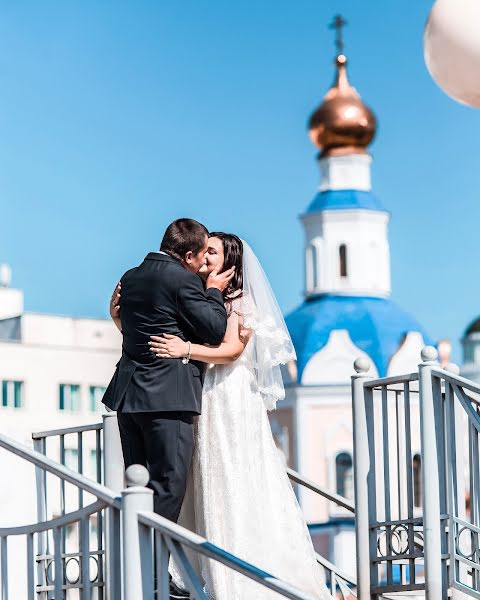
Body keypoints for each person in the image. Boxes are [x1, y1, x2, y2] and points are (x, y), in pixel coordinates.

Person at [149, 233, 333, 600]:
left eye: (211, 251)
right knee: (206, 476)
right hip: (205, 395)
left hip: (231, 396)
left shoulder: (241, 303)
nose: (203, 256)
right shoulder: (200, 298)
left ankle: (242, 574)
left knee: (235, 473)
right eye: (202, 250)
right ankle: (200, 568)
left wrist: (185, 349)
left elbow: (233, 350)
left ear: (230, 263)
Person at [103, 218, 234, 525]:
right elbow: (214, 330)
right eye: (202, 255)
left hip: (129, 399)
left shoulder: (131, 276)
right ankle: (150, 570)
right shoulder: (183, 281)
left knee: (138, 487)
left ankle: (136, 565)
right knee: (168, 487)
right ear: (188, 257)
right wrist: (213, 291)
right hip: (167, 400)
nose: (204, 261)